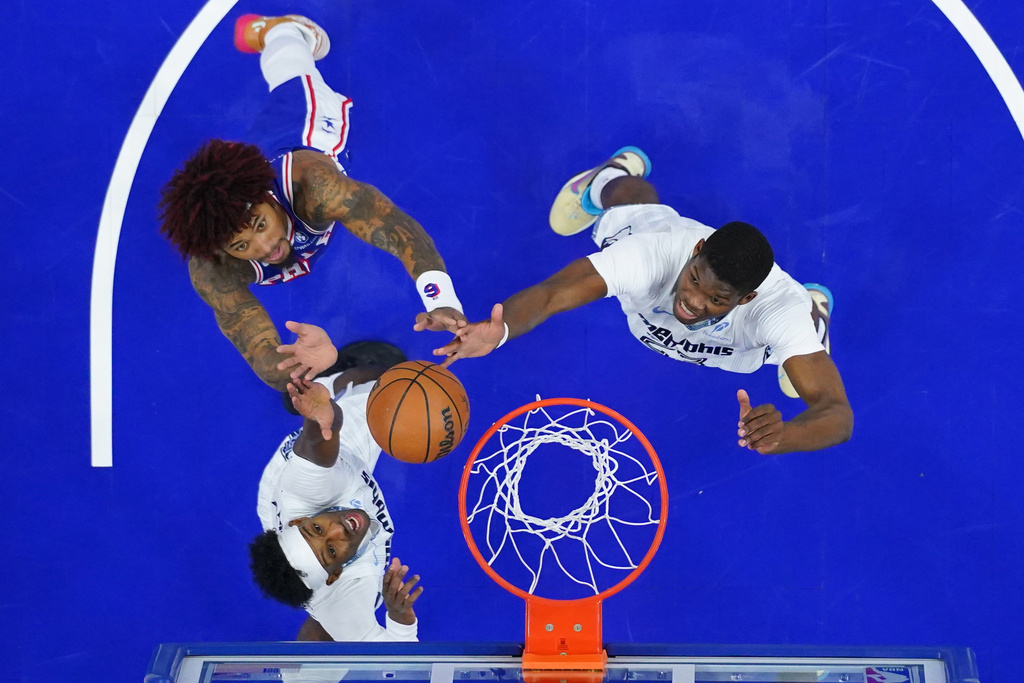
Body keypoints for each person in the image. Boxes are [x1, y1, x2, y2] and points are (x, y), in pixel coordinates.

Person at [430, 147, 853, 455]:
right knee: (631, 203)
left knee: (798, 349)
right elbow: (553, 293)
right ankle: (608, 175)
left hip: (747, 344)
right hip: (655, 255)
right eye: (694, 280)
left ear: (747, 298)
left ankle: (813, 311)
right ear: (696, 250)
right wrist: (500, 331)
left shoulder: (771, 312)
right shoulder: (652, 254)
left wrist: (785, 436)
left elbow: (836, 413)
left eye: (716, 299)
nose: (691, 301)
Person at [159, 14, 464, 392]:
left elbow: (398, 230)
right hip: (262, 161)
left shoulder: (314, 188)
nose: (264, 248)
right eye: (241, 246)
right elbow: (261, 355)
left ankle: (283, 31)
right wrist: (302, 364)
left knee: (295, 82)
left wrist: (442, 299)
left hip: (308, 133)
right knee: (266, 120)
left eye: (259, 225)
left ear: (266, 195)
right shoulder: (214, 270)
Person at [249, 343, 422, 641]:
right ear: (334, 575)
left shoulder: (304, 491)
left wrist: (322, 416)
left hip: (330, 478)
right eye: (331, 550)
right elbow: (393, 662)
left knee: (398, 388)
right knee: (331, 627)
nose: (338, 530)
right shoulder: (347, 595)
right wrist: (400, 619)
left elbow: (319, 445)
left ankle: (332, 379)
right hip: (332, 594)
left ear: (298, 521)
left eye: (316, 528)